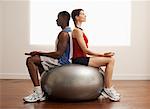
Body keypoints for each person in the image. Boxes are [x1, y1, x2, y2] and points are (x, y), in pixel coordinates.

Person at [71, 9, 120, 101]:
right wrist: (103, 55)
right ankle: (108, 88)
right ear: (76, 17)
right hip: (79, 59)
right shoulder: (77, 31)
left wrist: (103, 55)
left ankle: (105, 90)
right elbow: (85, 50)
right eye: (82, 14)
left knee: (107, 62)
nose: (85, 15)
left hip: (82, 58)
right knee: (111, 60)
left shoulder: (79, 30)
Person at [23, 11, 72, 103]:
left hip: (61, 62)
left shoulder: (64, 34)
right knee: (39, 62)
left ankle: (38, 92)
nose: (56, 20)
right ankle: (43, 92)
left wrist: (40, 53)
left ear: (64, 19)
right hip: (63, 60)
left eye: (58, 18)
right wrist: (39, 54)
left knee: (30, 60)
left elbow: (58, 54)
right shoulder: (68, 31)